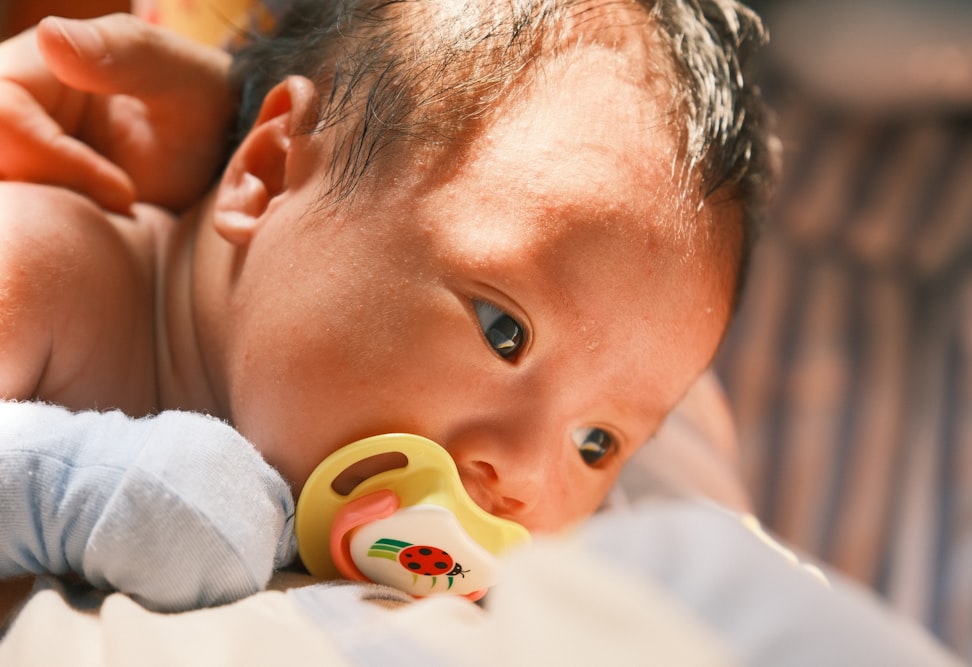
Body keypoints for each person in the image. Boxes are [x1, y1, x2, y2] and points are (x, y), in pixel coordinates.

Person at [0, 0, 773, 613]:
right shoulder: (51, 266)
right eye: (505, 331)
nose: (525, 475)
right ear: (269, 173)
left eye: (597, 442)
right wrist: (92, 486)